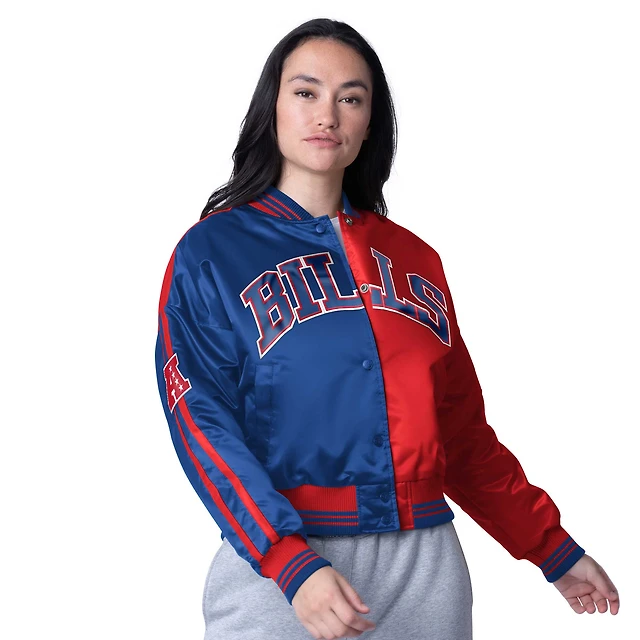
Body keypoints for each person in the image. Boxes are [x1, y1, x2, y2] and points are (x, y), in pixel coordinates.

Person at [154, 18, 620, 640]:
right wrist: (286, 558)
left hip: (424, 569)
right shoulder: (212, 252)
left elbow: (459, 431)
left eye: (351, 98)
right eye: (306, 92)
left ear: (371, 121)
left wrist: (551, 549)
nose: (328, 115)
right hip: (284, 569)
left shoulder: (413, 259)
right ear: (272, 107)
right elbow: (200, 418)